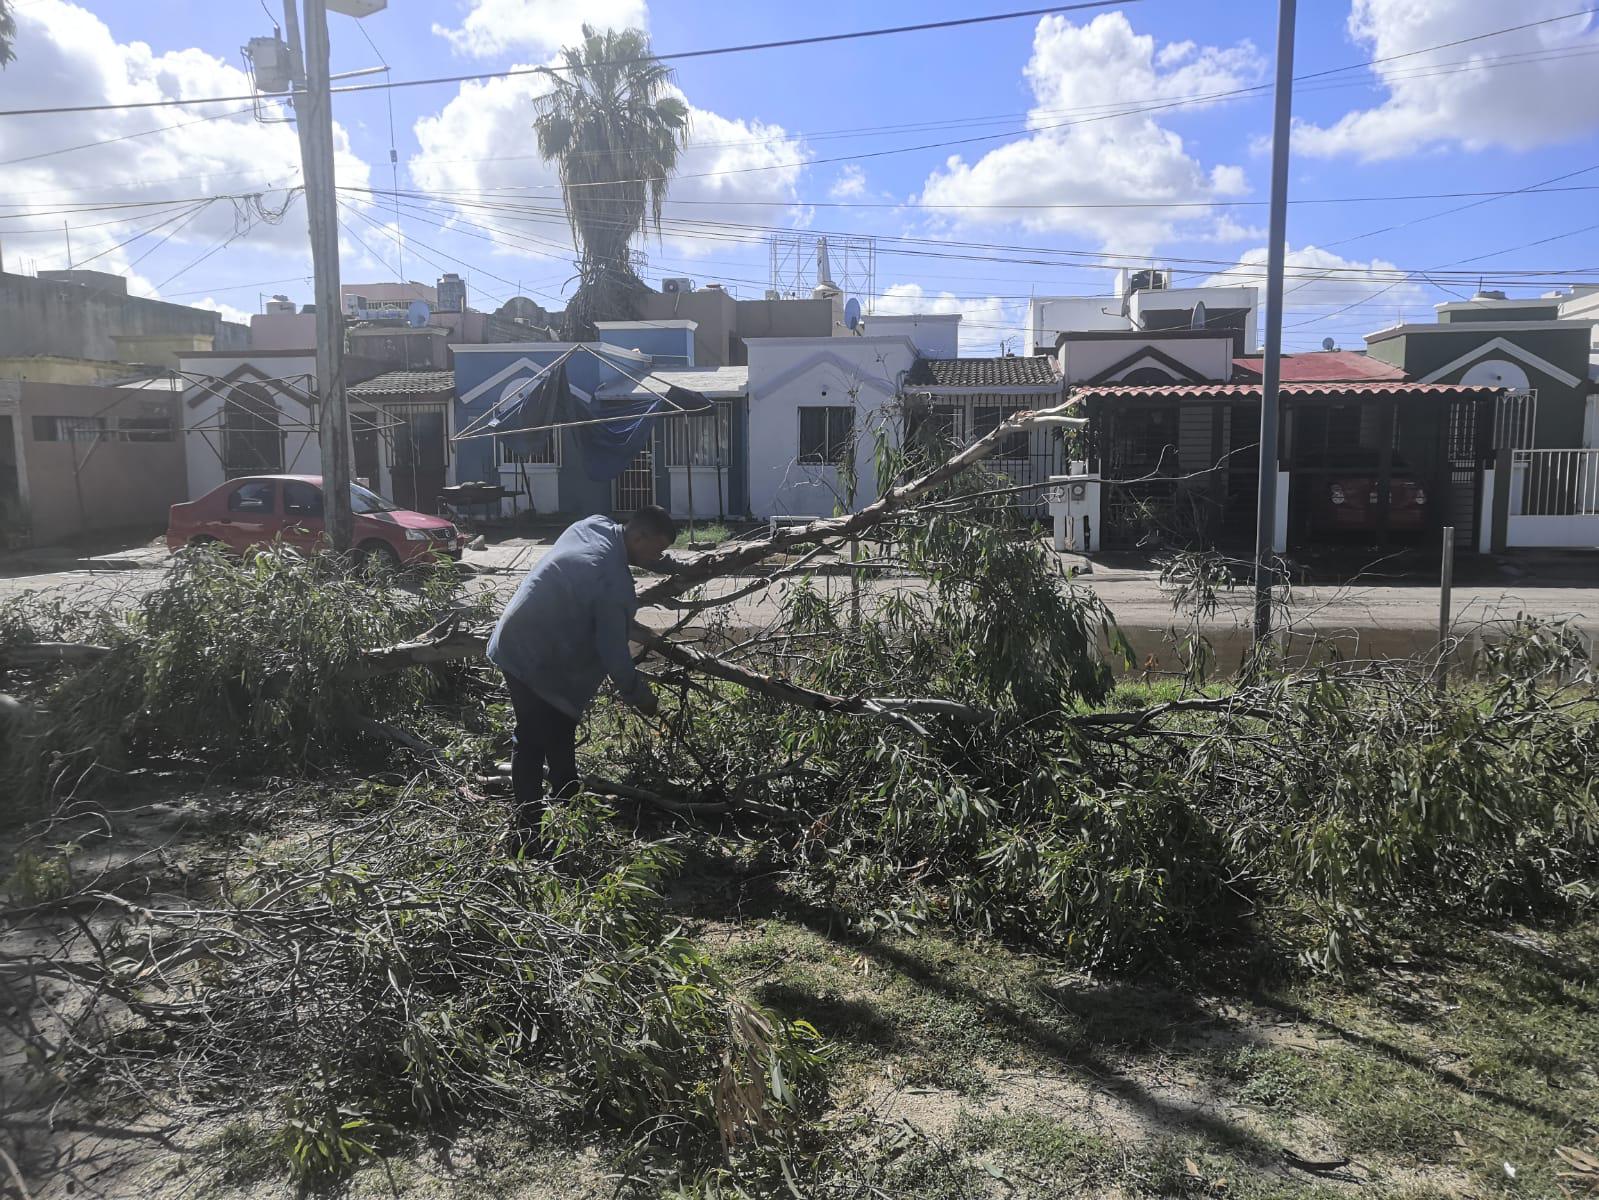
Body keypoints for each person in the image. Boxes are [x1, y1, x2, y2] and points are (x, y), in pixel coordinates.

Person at [487, 505, 676, 849]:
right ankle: (527, 835)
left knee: (559, 731)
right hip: (532, 656)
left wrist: (664, 564)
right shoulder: (613, 583)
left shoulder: (593, 523)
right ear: (638, 537)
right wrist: (640, 695)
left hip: (517, 636)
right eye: (656, 550)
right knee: (531, 740)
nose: (656, 557)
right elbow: (614, 655)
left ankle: (568, 813)